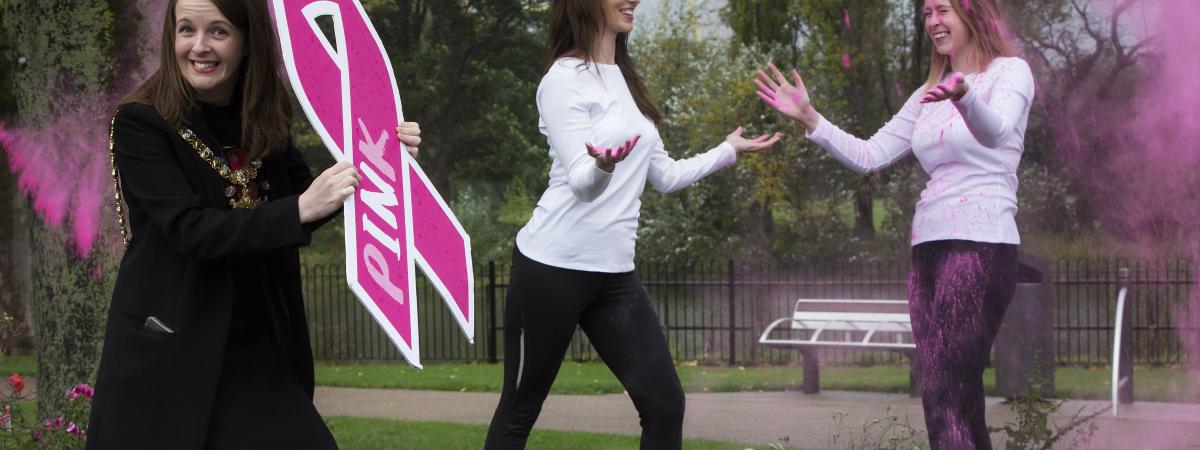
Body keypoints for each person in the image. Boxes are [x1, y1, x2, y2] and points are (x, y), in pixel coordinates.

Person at [86, 0, 421, 447]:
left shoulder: (264, 112)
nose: (199, 46)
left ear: (247, 41)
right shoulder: (140, 122)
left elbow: (307, 198)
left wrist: (381, 159)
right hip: (170, 351)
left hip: (256, 347)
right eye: (186, 29)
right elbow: (191, 230)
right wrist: (302, 207)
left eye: (218, 32)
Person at [483, 1, 781, 449]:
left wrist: (727, 149)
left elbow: (663, 175)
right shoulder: (561, 81)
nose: (634, 0)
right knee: (519, 411)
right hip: (550, 269)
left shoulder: (623, 79)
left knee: (664, 404)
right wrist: (602, 166)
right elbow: (582, 183)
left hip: (614, 277)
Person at [754, 0, 1034, 448]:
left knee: (951, 386)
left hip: (981, 244)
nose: (933, 22)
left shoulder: (1010, 72)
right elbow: (871, 155)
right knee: (943, 393)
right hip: (928, 248)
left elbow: (996, 132)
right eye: (927, 13)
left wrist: (965, 96)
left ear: (973, 12)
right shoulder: (929, 90)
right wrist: (811, 118)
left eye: (943, 10)